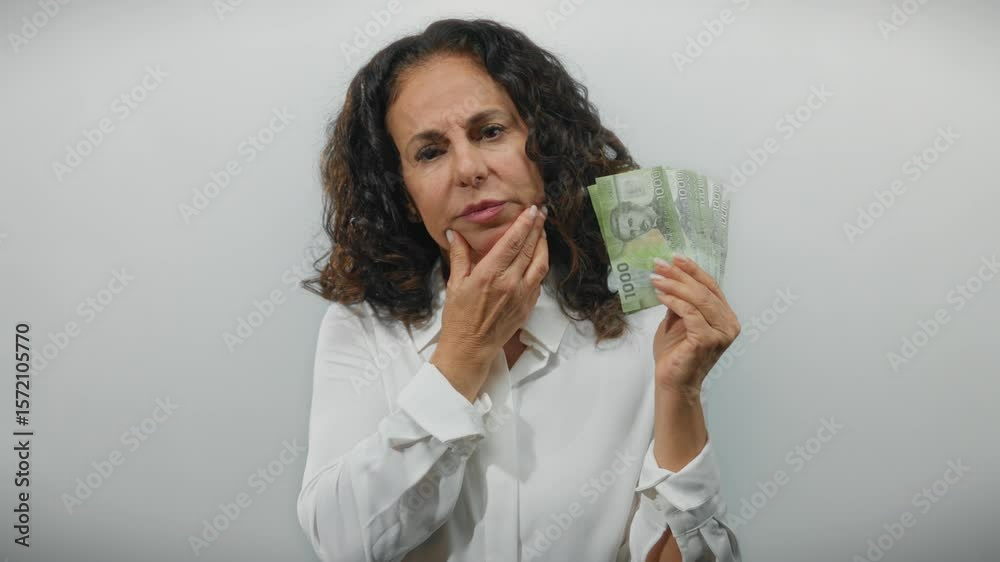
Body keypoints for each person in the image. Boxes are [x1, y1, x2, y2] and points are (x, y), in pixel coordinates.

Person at [297, 18, 742, 562]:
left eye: (490, 131)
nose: (469, 169)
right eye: (430, 152)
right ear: (405, 196)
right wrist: (462, 355)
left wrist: (681, 393)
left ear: (543, 146)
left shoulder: (646, 321)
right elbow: (341, 544)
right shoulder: (363, 328)